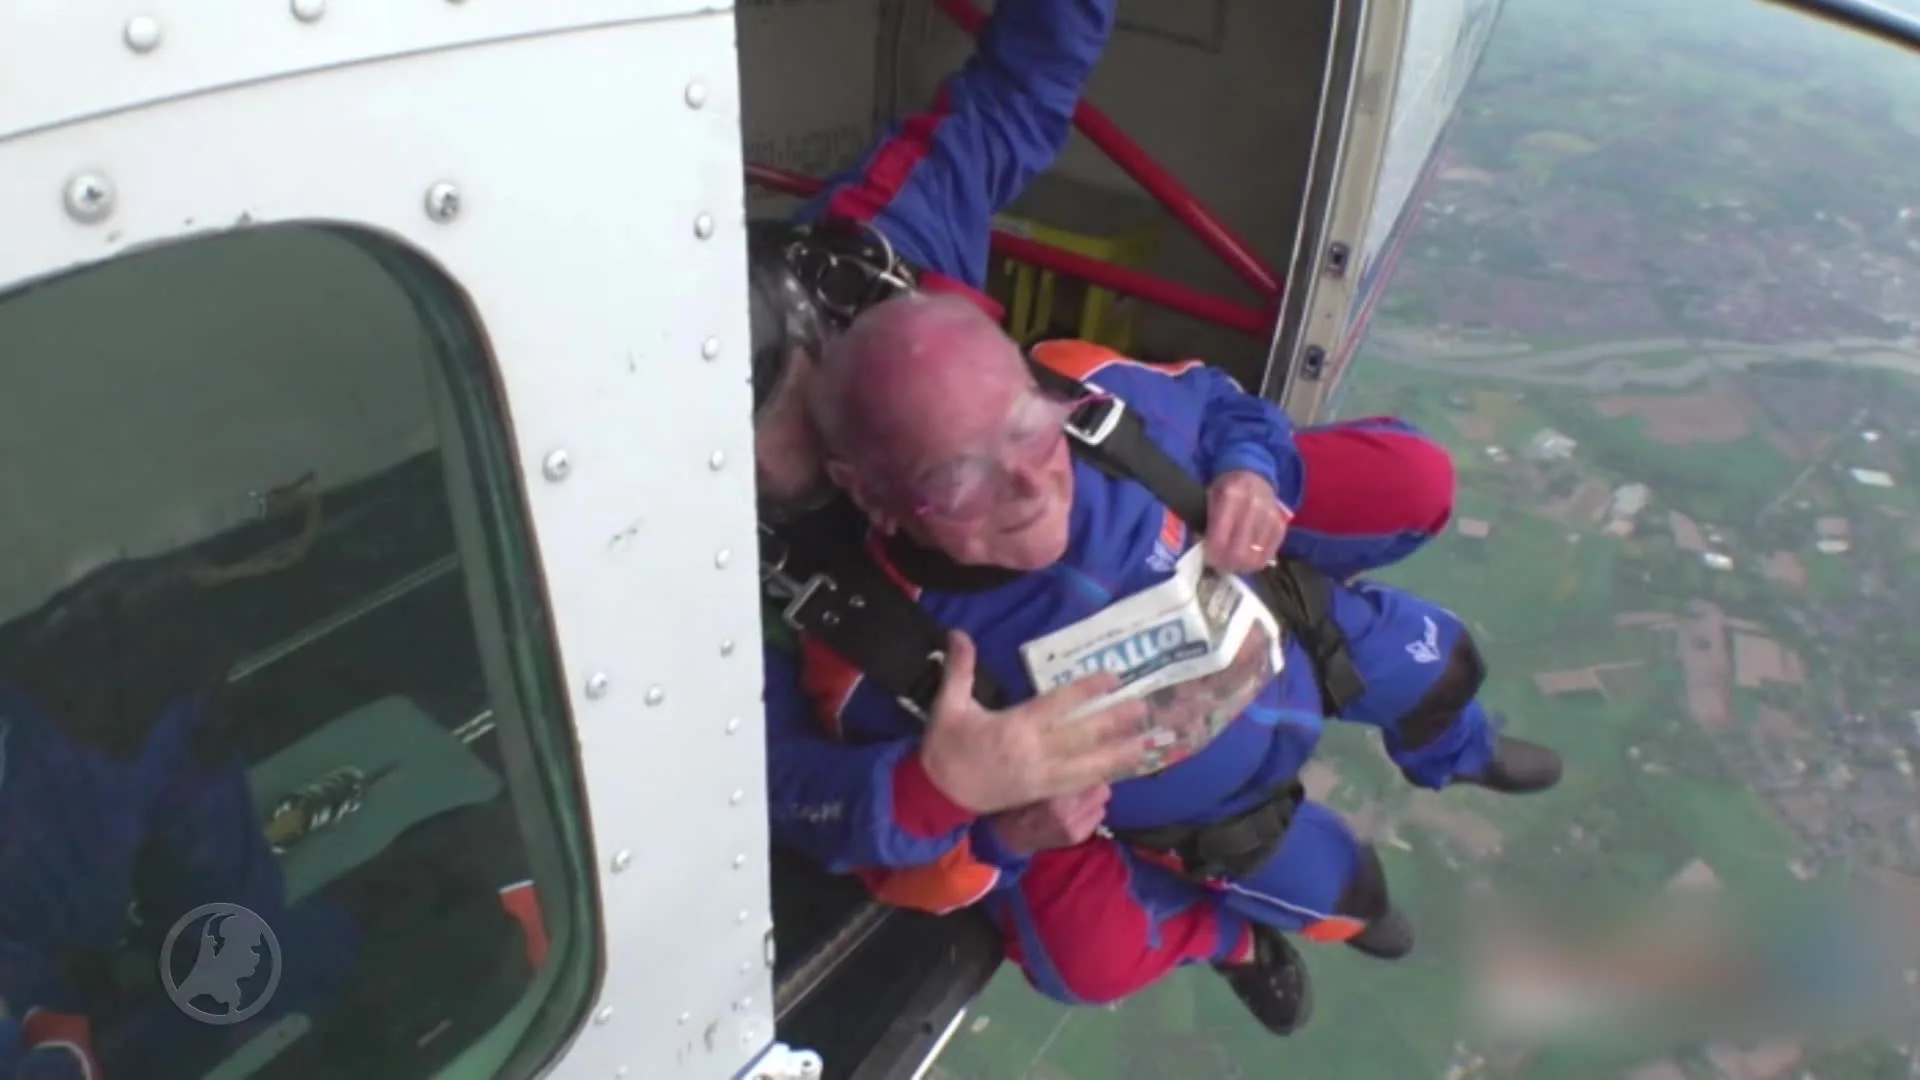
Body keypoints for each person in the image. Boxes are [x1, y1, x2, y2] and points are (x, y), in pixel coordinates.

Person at [785, 291, 1563, 1035]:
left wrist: (1251, 471)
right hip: (1201, 811)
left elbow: (1223, 404)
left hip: (1295, 630)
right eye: (957, 477)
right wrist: (1004, 833)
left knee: (1445, 665)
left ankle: (1455, 752)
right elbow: (887, 855)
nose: (1026, 483)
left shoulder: (1091, 390)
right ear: (870, 493)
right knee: (1349, 900)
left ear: (1034, 386)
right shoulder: (874, 652)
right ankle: (1236, 943)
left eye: (1027, 425)